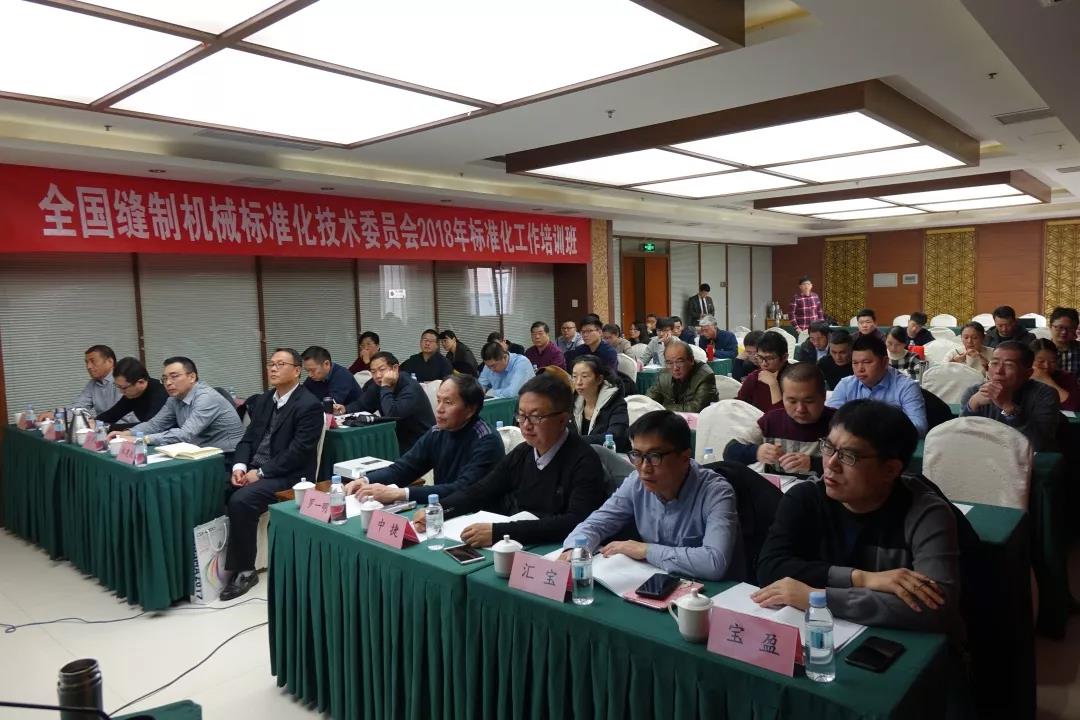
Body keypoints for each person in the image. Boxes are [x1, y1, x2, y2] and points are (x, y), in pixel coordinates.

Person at [754, 399, 966, 638]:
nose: (831, 464)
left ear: (890, 470)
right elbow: (770, 569)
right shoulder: (805, 497)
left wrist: (820, 598)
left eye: (849, 456)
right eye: (828, 447)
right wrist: (863, 578)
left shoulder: (925, 513)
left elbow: (936, 607)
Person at [412, 373, 607, 547]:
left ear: (563, 420)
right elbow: (481, 490)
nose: (526, 425)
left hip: (557, 550)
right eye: (521, 416)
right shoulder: (523, 452)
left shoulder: (584, 460)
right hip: (520, 544)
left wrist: (499, 533)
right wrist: (440, 509)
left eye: (536, 417)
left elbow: (574, 521)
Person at [560, 410, 741, 581]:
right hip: (656, 581)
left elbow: (714, 562)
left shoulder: (716, 492)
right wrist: (575, 549)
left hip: (713, 593)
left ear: (684, 458)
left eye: (654, 456)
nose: (644, 468)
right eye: (637, 455)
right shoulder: (636, 482)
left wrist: (646, 550)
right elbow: (596, 523)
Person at [220, 348, 323, 601]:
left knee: (242, 500)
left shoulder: (309, 405)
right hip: (255, 469)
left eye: (280, 364)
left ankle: (245, 570)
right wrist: (240, 467)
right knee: (215, 486)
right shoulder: (265, 399)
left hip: (291, 475)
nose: (273, 368)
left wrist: (261, 472)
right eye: (271, 364)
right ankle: (212, 561)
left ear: (296, 371)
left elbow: (298, 453)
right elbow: (248, 438)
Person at [344, 374, 504, 503]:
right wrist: (366, 480)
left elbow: (462, 489)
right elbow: (404, 468)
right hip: (444, 509)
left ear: (470, 410)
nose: (439, 409)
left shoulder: (487, 440)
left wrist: (400, 493)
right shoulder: (437, 432)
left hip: (479, 517)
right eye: (438, 400)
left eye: (448, 403)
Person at [110, 356, 245, 454]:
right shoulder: (174, 399)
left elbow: (185, 434)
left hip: (227, 455)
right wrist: (127, 433)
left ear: (192, 377)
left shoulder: (206, 398)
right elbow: (155, 425)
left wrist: (141, 439)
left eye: (174, 376)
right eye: (165, 378)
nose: (168, 383)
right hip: (199, 452)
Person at [726, 363, 834, 476]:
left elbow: (846, 465)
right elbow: (730, 451)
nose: (800, 409)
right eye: (792, 401)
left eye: (809, 401)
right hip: (777, 485)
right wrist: (756, 452)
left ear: (823, 396)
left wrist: (814, 464)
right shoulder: (771, 421)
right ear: (783, 397)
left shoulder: (837, 423)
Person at [960, 341, 1060, 452]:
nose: (999, 371)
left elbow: (1039, 445)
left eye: (1009, 365)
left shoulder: (1044, 394)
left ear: (1028, 373)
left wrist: (1008, 407)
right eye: (994, 363)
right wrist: (972, 405)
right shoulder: (974, 392)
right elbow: (959, 439)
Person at [827, 334, 927, 436]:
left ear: (885, 362)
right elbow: (830, 418)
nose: (860, 369)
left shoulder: (906, 387)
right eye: (855, 363)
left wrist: (876, 430)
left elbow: (919, 427)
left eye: (866, 362)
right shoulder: (846, 385)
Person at [343, 351, 435, 453]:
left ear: (395, 368)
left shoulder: (410, 388)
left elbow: (392, 414)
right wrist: (344, 409)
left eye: (382, 370)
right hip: (394, 438)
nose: (377, 375)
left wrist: (385, 387)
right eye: (373, 372)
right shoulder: (377, 385)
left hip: (420, 442)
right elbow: (362, 405)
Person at [38, 344, 125, 421]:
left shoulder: (124, 380)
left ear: (110, 362)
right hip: (103, 428)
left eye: (93, 361)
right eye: (87, 362)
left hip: (124, 430)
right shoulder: (92, 384)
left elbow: (126, 418)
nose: (88, 367)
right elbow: (79, 408)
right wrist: (55, 414)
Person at [570, 355, 630, 451]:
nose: (578, 382)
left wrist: (575, 441)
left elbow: (617, 438)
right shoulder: (572, 402)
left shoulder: (615, 403)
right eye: (574, 376)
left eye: (584, 376)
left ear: (599, 379)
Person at [95, 357, 168, 430]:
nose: (121, 391)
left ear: (141, 382)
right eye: (118, 386)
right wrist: (94, 422)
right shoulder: (132, 394)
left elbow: (149, 426)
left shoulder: (160, 394)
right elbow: (113, 414)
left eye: (124, 388)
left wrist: (108, 427)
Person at [646, 341, 718, 413]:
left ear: (691, 360)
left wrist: (660, 408)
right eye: (669, 362)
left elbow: (697, 408)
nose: (675, 368)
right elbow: (648, 402)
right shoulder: (663, 375)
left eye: (679, 362)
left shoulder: (705, 376)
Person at [736, 331, 788, 413]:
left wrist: (773, 384)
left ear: (784, 357)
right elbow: (739, 405)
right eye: (760, 357)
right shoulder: (754, 377)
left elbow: (781, 418)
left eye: (769, 358)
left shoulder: (795, 378)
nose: (764, 364)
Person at [1030, 338, 1080, 411]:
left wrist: (1047, 381)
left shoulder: (1066, 377)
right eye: (1041, 361)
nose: (1046, 366)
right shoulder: (1021, 377)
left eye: (1052, 361)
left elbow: (1074, 406)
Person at [1049, 306, 1080, 377]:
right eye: (1060, 327)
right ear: (1050, 326)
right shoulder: (1040, 349)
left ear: (1075, 329)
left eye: (1070, 328)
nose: (1064, 332)